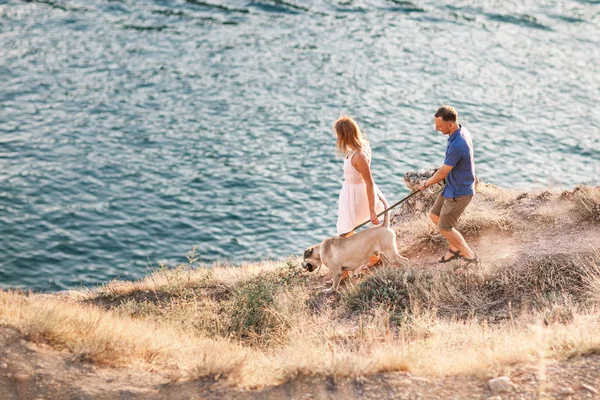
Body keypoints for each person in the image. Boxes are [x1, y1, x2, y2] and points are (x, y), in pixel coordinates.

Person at [418, 105, 480, 266]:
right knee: (434, 216)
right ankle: (455, 249)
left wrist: (425, 183)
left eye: (439, 126)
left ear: (450, 124)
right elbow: (450, 165)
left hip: (459, 192)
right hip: (451, 187)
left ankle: (470, 257)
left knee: (445, 228)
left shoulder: (458, 144)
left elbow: (443, 172)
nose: (436, 128)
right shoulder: (460, 131)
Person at [334, 116, 387, 273]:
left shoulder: (359, 155)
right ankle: (373, 258)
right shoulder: (355, 149)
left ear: (344, 135)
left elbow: (369, 182)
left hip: (357, 197)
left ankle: (343, 273)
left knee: (344, 234)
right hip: (350, 193)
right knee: (346, 232)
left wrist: (372, 210)